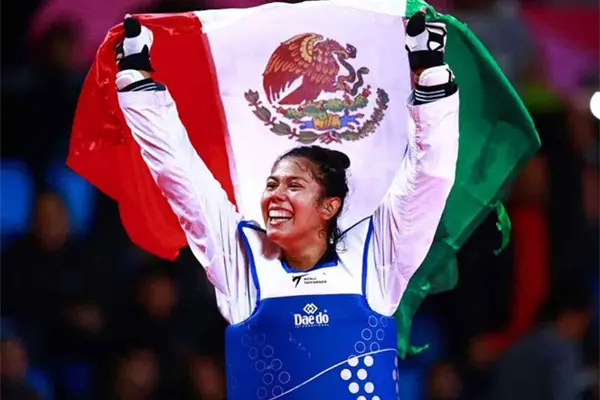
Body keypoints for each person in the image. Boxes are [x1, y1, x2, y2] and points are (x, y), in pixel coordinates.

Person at [113, 10, 459, 399]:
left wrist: (431, 76)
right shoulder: (245, 264)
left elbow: (429, 178)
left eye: (294, 186)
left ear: (329, 207)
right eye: (272, 184)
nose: (276, 195)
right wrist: (137, 84)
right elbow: (183, 180)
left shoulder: (374, 260)